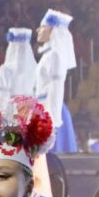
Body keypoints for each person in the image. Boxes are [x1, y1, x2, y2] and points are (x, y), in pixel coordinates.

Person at [36, 10, 79, 154]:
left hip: (51, 110)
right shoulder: (48, 55)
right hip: (44, 108)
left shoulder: (55, 55)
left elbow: (56, 89)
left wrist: (51, 121)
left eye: (42, 26)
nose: (38, 30)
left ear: (52, 29)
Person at [0, 28, 36, 100]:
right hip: (32, 108)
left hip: (13, 108)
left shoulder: (5, 70)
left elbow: (2, 98)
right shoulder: (35, 68)